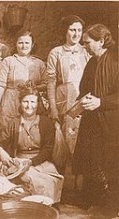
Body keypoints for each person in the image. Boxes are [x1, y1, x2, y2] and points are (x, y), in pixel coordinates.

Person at [73, 24, 119, 211]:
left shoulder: (116, 61)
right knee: (90, 160)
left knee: (110, 163)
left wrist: (101, 102)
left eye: (87, 42)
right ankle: (93, 201)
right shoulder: (91, 62)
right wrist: (82, 101)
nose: (84, 46)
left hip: (112, 123)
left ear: (101, 41)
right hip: (92, 121)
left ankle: (111, 206)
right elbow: (84, 88)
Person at [0, 84, 64, 203]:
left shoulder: (46, 123)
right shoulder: (13, 123)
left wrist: (31, 162)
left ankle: (42, 210)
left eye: (33, 102)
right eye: (25, 101)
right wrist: (2, 153)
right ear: (20, 103)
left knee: (46, 183)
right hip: (18, 162)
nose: (29, 106)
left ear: (38, 104)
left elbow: (48, 150)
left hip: (40, 163)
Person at [0, 30, 47, 127]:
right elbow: (1, 84)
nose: (24, 46)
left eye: (27, 43)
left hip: (31, 101)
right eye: (20, 43)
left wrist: (34, 88)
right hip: (10, 101)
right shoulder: (8, 61)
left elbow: (46, 84)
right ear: (16, 44)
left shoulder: (39, 63)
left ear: (32, 45)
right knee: (7, 129)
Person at [47, 15, 90, 154]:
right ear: (65, 31)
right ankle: (66, 171)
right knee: (66, 135)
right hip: (64, 97)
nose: (76, 34)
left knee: (83, 134)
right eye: (72, 30)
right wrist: (53, 107)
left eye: (79, 30)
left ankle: (80, 172)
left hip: (83, 96)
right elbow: (51, 81)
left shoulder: (86, 51)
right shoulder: (56, 52)